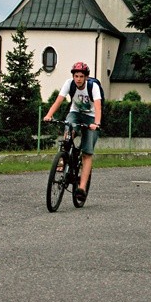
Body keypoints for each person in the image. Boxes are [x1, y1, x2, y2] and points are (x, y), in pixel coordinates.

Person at [43, 62, 102, 202]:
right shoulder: (69, 84)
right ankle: (63, 159)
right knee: (68, 131)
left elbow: (98, 107)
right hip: (75, 113)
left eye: (81, 76)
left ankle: (81, 188)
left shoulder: (93, 87)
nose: (78, 79)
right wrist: (49, 115)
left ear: (86, 77)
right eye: (76, 76)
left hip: (91, 117)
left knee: (87, 153)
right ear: (73, 76)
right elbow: (59, 100)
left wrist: (97, 123)